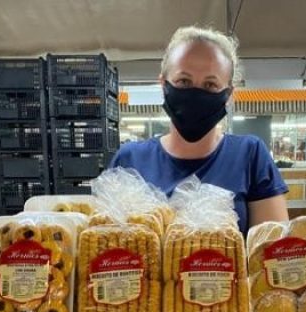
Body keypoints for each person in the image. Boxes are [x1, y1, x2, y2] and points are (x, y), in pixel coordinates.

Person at [110, 26, 289, 236]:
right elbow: (104, 246)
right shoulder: (129, 160)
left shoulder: (250, 155)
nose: (195, 93)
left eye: (211, 84)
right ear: (163, 84)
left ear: (228, 93)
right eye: (183, 81)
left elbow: (271, 256)